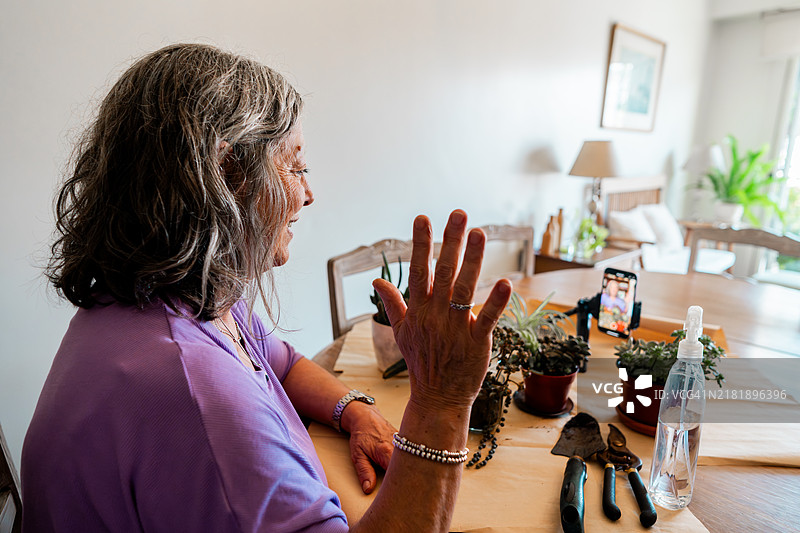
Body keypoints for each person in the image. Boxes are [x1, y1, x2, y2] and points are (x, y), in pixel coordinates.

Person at [22, 43, 512, 532]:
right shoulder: (195, 390)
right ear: (226, 175)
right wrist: (441, 401)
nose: (309, 193)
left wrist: (353, 411)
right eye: (295, 167)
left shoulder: (175, 300)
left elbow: (280, 361)